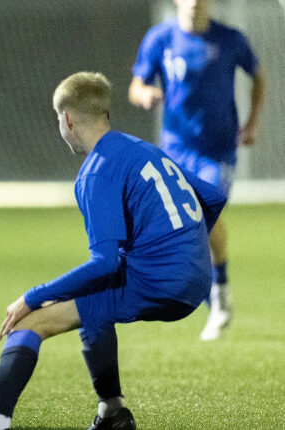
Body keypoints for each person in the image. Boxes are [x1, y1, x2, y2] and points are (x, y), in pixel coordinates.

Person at [0, 72, 227, 430]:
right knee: (94, 304)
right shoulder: (145, 149)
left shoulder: (96, 172)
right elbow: (214, 196)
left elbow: (104, 261)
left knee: (29, 322)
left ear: (67, 118)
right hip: (197, 278)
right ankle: (112, 412)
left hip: (159, 282)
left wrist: (32, 296)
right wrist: (185, 248)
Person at [129, 0, 265, 341]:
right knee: (181, 234)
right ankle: (215, 296)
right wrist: (144, 93)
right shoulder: (160, 39)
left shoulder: (230, 38)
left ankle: (219, 291)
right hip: (175, 152)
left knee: (205, 214)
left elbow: (258, 76)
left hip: (218, 150)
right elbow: (136, 85)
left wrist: (251, 123)